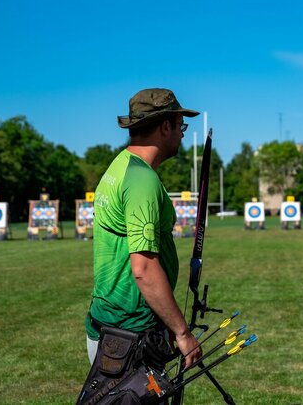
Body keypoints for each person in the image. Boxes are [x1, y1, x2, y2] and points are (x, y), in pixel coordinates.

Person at [79, 88, 201, 403]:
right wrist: (183, 333)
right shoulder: (141, 179)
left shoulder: (119, 166)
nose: (181, 135)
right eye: (180, 127)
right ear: (165, 127)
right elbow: (144, 269)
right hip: (128, 338)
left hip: (110, 329)